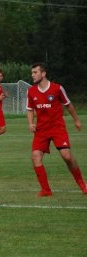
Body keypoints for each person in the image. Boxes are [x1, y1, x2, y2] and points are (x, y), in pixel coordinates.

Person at [26, 62, 87, 197]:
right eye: (32, 73)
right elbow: (30, 109)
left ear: (43, 73)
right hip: (41, 130)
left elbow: (68, 105)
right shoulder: (31, 91)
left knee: (67, 156)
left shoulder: (57, 88)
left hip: (57, 128)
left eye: (35, 72)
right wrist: (31, 123)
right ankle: (46, 190)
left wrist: (76, 120)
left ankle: (83, 184)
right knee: (35, 157)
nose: (32, 75)